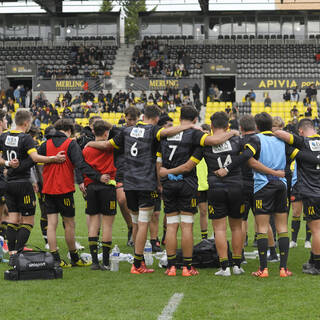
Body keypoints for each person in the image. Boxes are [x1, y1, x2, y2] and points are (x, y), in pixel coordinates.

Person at [86, 105, 203, 275]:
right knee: (143, 225)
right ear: (156, 118)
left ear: (142, 116)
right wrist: (189, 126)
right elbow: (167, 133)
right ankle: (138, 264)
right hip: (146, 183)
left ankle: (137, 262)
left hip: (129, 183)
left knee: (135, 224)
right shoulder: (153, 131)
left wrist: (90, 142)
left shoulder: (127, 131)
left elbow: (106, 145)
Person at [158, 108, 242, 277]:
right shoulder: (201, 136)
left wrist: (164, 175)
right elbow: (214, 142)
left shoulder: (164, 134)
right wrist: (233, 132)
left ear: (179, 118)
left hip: (174, 184)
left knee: (173, 225)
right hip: (197, 184)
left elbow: (163, 159)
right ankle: (191, 267)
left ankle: (172, 266)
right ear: (195, 119)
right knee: (190, 225)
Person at [38, 118, 110, 267]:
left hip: (48, 189)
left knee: (51, 224)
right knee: (69, 223)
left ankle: (55, 259)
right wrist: (98, 176)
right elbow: (81, 165)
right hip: (64, 189)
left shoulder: (45, 144)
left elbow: (35, 159)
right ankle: (74, 257)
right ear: (70, 130)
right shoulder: (71, 143)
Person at [1, 110, 66, 265]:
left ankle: (11, 253)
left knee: (12, 219)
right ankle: (17, 252)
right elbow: (35, 158)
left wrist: (8, 164)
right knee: (28, 221)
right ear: (26, 123)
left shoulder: (3, 136)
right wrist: (54, 159)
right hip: (23, 183)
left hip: (9, 182)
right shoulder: (26, 138)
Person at [274, 119, 320, 274]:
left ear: (300, 131)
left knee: (316, 230)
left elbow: (279, 133)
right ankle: (313, 260)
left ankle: (316, 265)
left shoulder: (303, 142)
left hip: (311, 192)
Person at [82, 120, 117, 270]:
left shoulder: (86, 150)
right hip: (107, 187)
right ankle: (106, 262)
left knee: (94, 223)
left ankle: (95, 262)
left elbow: (83, 167)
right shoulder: (111, 147)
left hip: (91, 187)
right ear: (105, 133)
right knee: (107, 225)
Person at [196, 124, 210, 240]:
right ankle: (204, 237)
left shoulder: (214, 148)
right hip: (199, 185)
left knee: (216, 213)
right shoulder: (196, 149)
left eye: (207, 133)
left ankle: (216, 235)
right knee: (203, 211)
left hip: (212, 184)